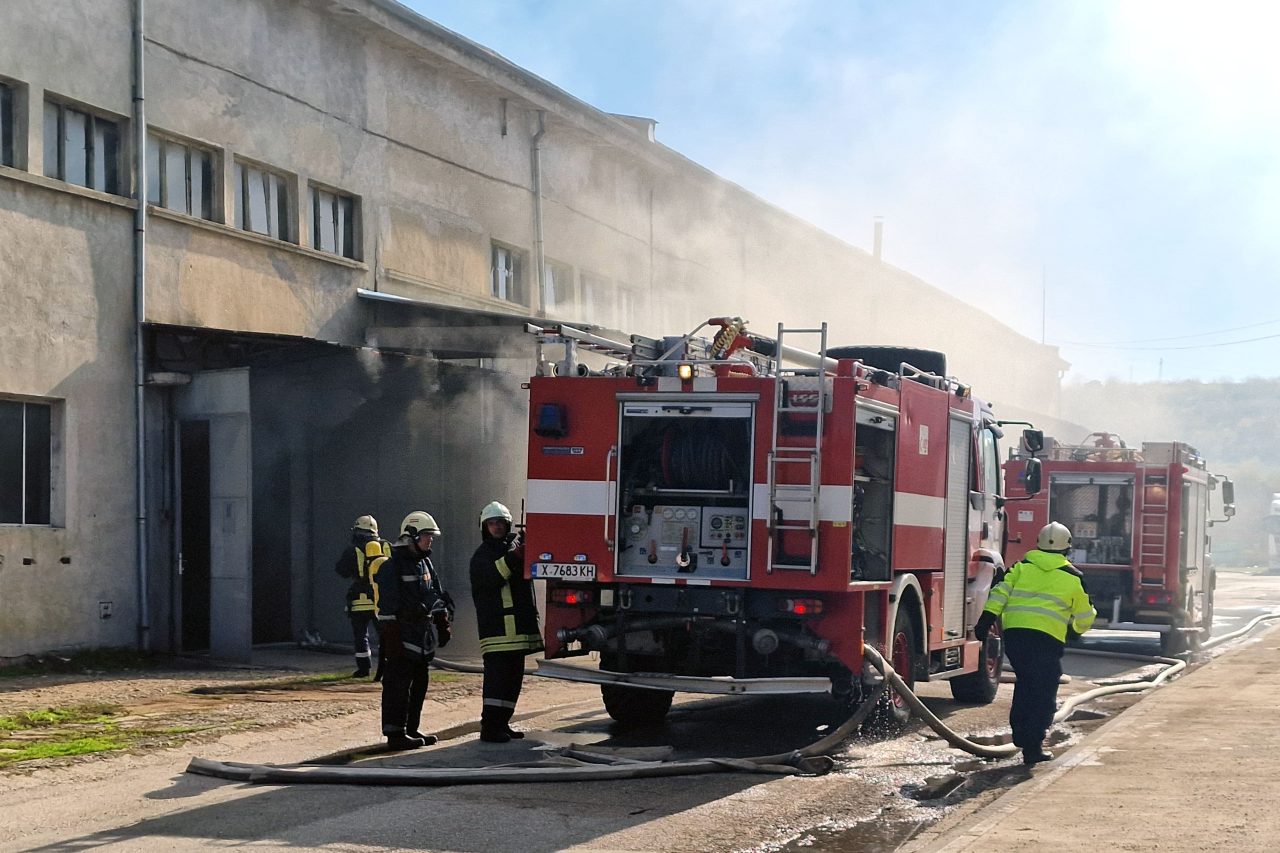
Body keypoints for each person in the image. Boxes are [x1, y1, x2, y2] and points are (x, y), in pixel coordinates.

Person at [975, 521, 1095, 766]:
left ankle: (1020, 732)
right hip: (1047, 640)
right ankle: (1032, 746)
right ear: (1067, 548)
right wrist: (1074, 631)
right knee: (1043, 692)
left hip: (1017, 636)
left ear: (1038, 544)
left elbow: (999, 593)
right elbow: (1086, 615)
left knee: (1026, 682)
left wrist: (985, 622)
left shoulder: (1021, 568)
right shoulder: (1073, 577)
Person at [374, 510, 454, 750]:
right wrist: (392, 638)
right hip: (402, 634)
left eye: (431, 536)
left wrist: (442, 622)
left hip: (421, 634)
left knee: (420, 683)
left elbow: (436, 593)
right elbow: (386, 607)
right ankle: (395, 734)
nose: (430, 540)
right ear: (411, 536)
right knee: (398, 685)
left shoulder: (425, 562)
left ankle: (411, 729)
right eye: (426, 536)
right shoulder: (392, 566)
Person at [469, 501, 544, 743]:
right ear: (484, 527)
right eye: (492, 523)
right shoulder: (481, 556)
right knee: (497, 682)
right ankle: (490, 727)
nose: (497, 527)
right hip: (498, 631)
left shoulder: (510, 547)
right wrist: (515, 556)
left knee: (512, 681)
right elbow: (494, 577)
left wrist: (523, 544)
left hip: (517, 631)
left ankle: (503, 723)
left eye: (500, 523)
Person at [333, 515, 389, 678]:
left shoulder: (352, 550)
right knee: (386, 636)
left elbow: (341, 571)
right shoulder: (387, 546)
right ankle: (387, 668)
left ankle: (364, 669)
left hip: (359, 602)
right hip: (382, 601)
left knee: (360, 636)